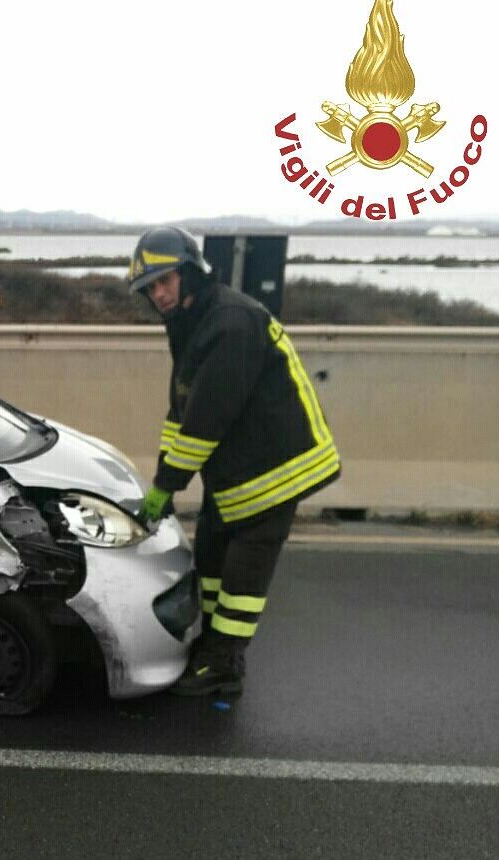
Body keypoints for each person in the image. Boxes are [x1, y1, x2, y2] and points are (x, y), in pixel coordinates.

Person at [128, 226, 340, 697]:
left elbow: (205, 420)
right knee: (211, 560)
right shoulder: (189, 320)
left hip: (275, 467)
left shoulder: (230, 322)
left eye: (164, 281)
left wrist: (167, 486)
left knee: (242, 578)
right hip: (238, 467)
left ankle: (224, 666)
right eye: (149, 288)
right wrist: (163, 473)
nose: (157, 294)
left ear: (188, 273)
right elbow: (182, 410)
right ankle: (213, 645)